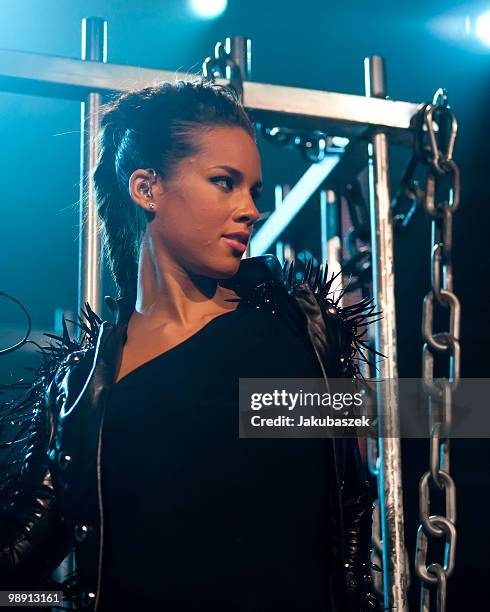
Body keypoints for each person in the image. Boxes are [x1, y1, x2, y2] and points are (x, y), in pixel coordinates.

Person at [0, 78, 378, 611]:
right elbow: (15, 577)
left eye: (254, 191)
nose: (250, 209)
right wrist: (65, 604)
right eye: (225, 182)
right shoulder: (84, 392)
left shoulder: (294, 328)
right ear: (146, 189)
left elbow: (357, 490)